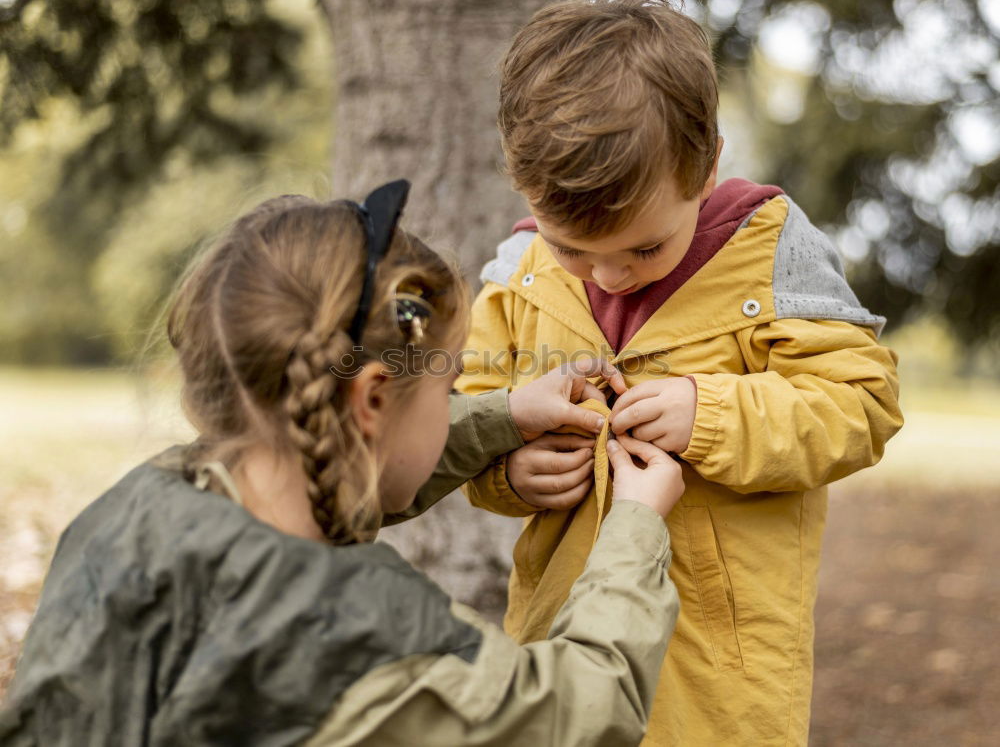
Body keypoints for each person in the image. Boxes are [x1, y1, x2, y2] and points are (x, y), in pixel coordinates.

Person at [0, 181, 686, 746]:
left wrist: (505, 415)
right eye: (446, 390)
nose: (452, 402)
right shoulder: (366, 639)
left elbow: (358, 457)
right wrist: (632, 527)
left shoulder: (134, 509)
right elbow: (577, 715)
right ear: (372, 400)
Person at [456, 0, 904, 745]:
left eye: (644, 248)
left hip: (718, 686)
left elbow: (860, 405)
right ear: (522, 185)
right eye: (573, 250)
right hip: (557, 668)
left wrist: (713, 414)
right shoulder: (514, 275)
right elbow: (469, 415)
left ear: (707, 166)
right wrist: (509, 472)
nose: (609, 279)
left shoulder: (771, 253)